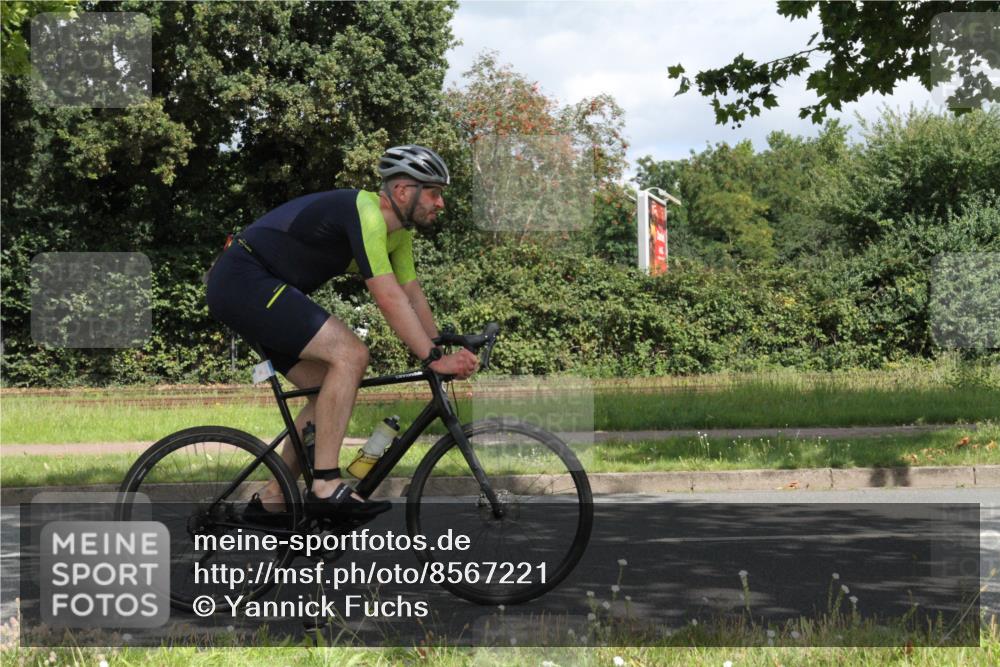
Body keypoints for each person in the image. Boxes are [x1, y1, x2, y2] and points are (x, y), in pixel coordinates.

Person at [205, 145, 479, 518]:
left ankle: (272, 498)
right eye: (434, 192)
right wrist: (432, 359)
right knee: (351, 354)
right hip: (243, 279)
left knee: (326, 391)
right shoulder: (364, 212)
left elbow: (410, 295)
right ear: (402, 191)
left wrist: (439, 346)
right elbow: (386, 297)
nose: (440, 202)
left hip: (261, 289)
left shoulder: (398, 236)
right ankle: (325, 484)